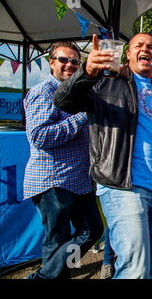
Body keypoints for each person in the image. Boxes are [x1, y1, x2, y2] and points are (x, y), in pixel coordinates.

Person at [53, 33, 152, 279]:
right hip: (122, 186)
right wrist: (86, 71)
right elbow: (64, 101)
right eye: (138, 45)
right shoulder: (108, 81)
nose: (145, 49)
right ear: (128, 54)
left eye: (151, 46)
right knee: (134, 269)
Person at [23, 41, 103, 279]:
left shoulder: (82, 92)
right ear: (51, 63)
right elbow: (39, 136)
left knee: (92, 230)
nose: (69, 64)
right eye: (63, 60)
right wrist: (80, 119)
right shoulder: (43, 91)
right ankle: (47, 277)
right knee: (55, 241)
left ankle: (49, 275)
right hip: (53, 180)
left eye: (75, 61)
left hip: (79, 180)